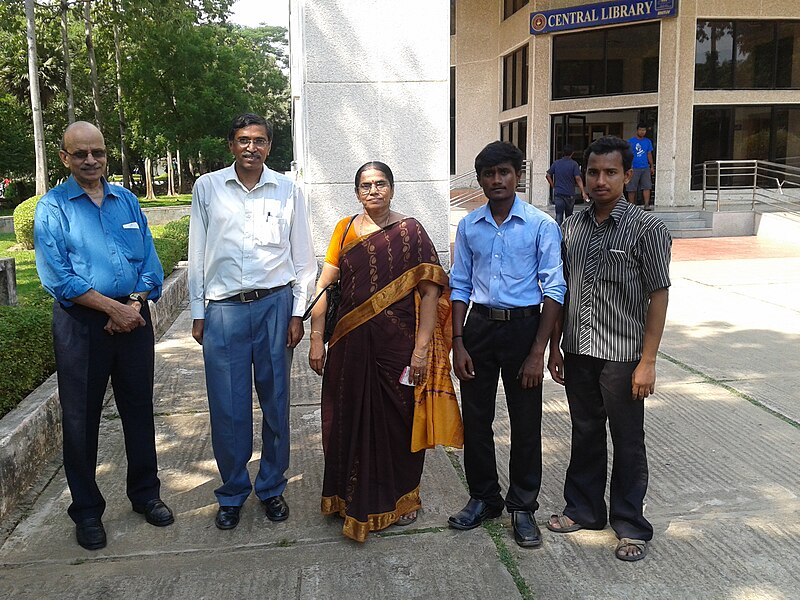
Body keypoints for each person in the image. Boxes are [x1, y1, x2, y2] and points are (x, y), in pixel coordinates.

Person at [34, 121, 173, 551]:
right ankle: (87, 511)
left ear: (106, 153)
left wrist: (132, 306)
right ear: (65, 158)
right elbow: (57, 276)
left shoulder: (126, 201)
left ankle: (145, 494)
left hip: (133, 320)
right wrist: (111, 308)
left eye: (97, 152)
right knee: (81, 419)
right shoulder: (53, 208)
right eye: (80, 154)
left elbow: (151, 263)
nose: (91, 160)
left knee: (138, 410)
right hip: (82, 326)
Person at [308, 161, 455, 542]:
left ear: (392, 188)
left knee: (398, 420)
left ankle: (402, 500)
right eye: (365, 185)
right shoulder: (344, 229)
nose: (373, 190)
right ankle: (344, 498)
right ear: (357, 192)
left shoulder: (411, 231)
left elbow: (430, 292)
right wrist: (315, 336)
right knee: (343, 418)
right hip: (348, 344)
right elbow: (326, 284)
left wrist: (421, 350)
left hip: (398, 344)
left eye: (380, 184)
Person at [188, 113, 316, 530]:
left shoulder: (288, 190)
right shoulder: (208, 188)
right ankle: (232, 492)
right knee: (228, 408)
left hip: (275, 307)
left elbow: (303, 259)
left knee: (276, 403)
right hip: (224, 309)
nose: (251, 148)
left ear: (269, 146)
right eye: (243, 140)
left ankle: (272, 487)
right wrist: (198, 311)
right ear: (231, 145)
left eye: (259, 141)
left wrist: (298, 313)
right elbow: (197, 252)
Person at [546, 136, 671, 562]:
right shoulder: (571, 227)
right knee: (584, 433)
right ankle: (584, 509)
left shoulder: (647, 228)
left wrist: (648, 362)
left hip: (623, 356)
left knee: (628, 439)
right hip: (578, 351)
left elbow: (658, 295)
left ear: (627, 175)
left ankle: (630, 524)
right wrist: (556, 348)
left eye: (610, 173)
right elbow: (561, 290)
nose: (601, 181)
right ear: (582, 179)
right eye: (594, 173)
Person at [448, 141, 566, 549]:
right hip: (478, 328)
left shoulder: (540, 225)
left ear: (518, 175)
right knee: (476, 420)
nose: (496, 181)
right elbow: (459, 283)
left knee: (525, 420)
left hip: (523, 330)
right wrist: (458, 341)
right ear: (480, 179)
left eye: (504, 173)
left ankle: (522, 506)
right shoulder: (469, 226)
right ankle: (483, 497)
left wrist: (539, 352)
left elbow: (554, 289)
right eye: (488, 174)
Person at [546, 144, 589, 225]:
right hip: (569, 194)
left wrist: (553, 186)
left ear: (563, 153)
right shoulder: (574, 164)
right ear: (572, 153)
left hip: (558, 193)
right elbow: (578, 178)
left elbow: (548, 175)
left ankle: (558, 235)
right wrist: (583, 191)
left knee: (559, 216)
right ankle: (568, 234)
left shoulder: (556, 163)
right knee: (569, 217)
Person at [626, 123, 655, 210]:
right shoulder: (631, 142)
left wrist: (651, 166)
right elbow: (628, 155)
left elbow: (649, 154)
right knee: (632, 187)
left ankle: (646, 204)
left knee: (647, 186)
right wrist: (629, 166)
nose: (642, 132)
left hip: (645, 167)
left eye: (644, 130)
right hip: (633, 167)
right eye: (641, 130)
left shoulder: (647, 142)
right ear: (637, 130)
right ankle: (631, 206)